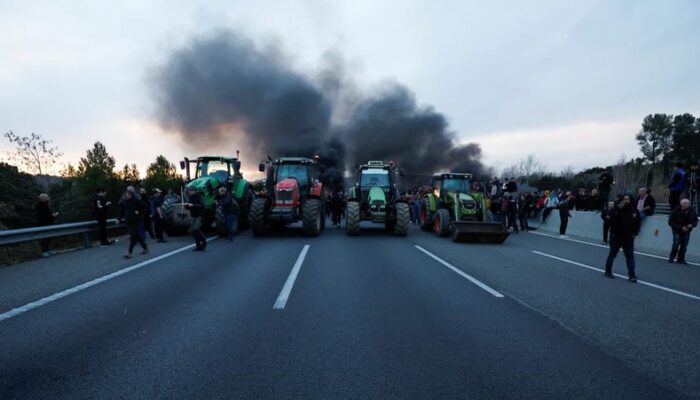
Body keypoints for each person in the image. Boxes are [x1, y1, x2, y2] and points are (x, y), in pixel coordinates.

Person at [604, 194, 640, 283]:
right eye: (624, 199)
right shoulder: (615, 210)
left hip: (628, 237)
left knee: (630, 256)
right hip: (616, 236)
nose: (626, 201)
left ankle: (632, 275)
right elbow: (609, 221)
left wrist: (634, 233)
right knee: (612, 254)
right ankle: (608, 271)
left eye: (628, 199)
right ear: (621, 200)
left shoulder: (634, 211)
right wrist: (619, 209)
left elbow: (638, 223)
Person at [119, 190, 148, 259]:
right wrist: (118, 218)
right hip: (129, 221)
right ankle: (145, 248)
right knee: (136, 236)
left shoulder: (136, 201)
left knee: (133, 236)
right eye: (126, 194)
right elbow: (122, 212)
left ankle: (129, 253)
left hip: (137, 220)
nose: (127, 196)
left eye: (129, 194)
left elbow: (145, 207)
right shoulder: (124, 202)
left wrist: (139, 212)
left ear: (131, 195)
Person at [668, 199, 697, 265]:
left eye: (688, 203)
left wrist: (692, 225)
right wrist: (681, 227)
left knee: (684, 246)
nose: (687, 204)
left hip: (687, 231)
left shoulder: (692, 211)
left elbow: (695, 220)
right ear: (681, 204)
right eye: (685, 203)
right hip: (677, 230)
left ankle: (681, 259)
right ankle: (671, 257)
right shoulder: (675, 211)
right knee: (676, 244)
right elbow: (671, 222)